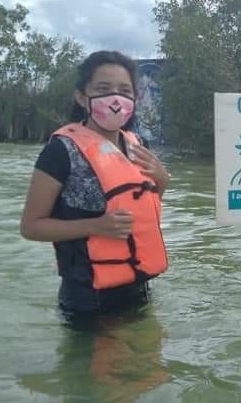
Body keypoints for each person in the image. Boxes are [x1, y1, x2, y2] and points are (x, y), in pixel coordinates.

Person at [20, 50, 170, 315]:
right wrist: (95, 226)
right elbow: (31, 227)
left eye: (125, 89)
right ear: (81, 96)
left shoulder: (138, 145)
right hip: (88, 300)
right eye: (103, 88)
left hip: (140, 289)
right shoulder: (60, 151)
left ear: (135, 97)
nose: (115, 97)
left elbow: (146, 204)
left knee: (149, 358)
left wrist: (163, 181)